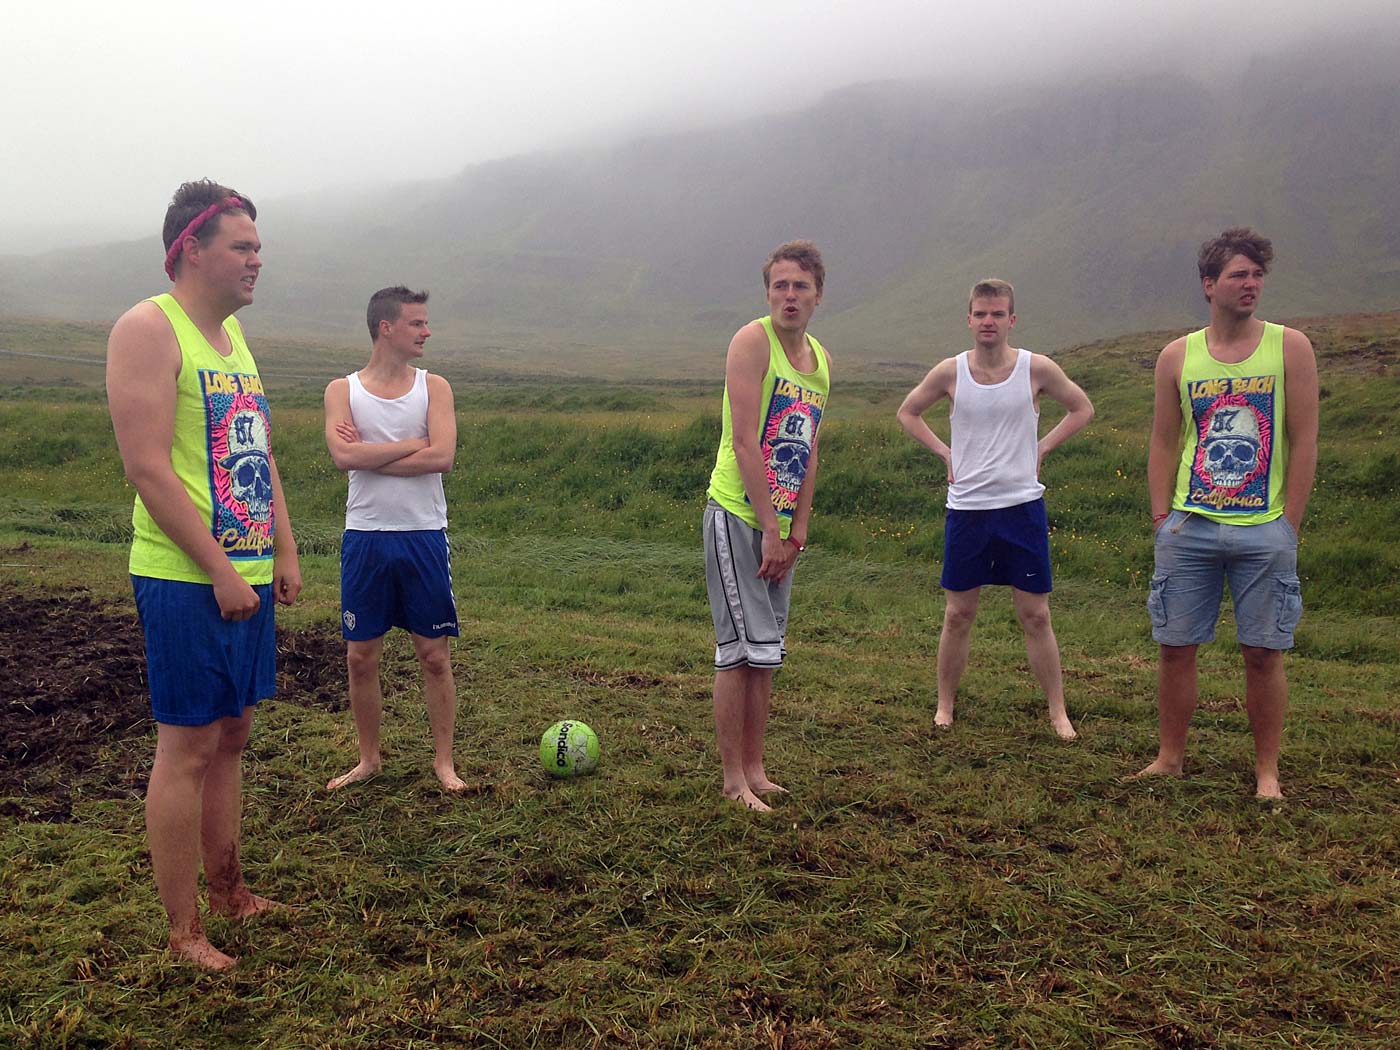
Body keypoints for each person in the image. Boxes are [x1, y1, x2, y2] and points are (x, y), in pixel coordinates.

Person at [106, 179, 301, 971]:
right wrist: (221, 570)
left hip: (246, 576)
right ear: (191, 248)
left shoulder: (233, 342)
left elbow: (257, 453)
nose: (259, 260)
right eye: (243, 247)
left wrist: (283, 549)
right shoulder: (149, 328)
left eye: (258, 247)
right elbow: (147, 467)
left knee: (233, 737)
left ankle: (231, 891)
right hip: (188, 579)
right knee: (186, 748)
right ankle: (185, 932)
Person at [1136, 228, 1318, 799]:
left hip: (1264, 529)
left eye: (1258, 274)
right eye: (1239, 274)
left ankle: (1267, 772)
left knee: (1263, 652)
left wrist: (1288, 523)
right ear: (1209, 285)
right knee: (1175, 646)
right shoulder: (1178, 356)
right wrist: (1162, 518)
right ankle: (1170, 758)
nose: (1252, 284)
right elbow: (1164, 441)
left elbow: (1304, 439)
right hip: (1190, 526)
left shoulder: (1290, 347)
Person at [896, 279, 1093, 739]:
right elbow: (908, 412)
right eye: (981, 314)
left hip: (1022, 507)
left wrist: (1041, 446)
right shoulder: (950, 372)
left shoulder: (1035, 368)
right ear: (969, 319)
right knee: (958, 614)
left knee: (1036, 615)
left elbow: (1082, 408)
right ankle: (945, 705)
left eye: (997, 314)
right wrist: (945, 453)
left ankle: (1058, 712)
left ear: (1011, 319)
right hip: (967, 509)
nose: (989, 322)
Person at [704, 240, 831, 812]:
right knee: (738, 650)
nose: (789, 295)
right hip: (737, 514)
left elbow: (808, 446)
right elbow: (746, 441)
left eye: (799, 286)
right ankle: (733, 781)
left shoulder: (821, 361)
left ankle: (756, 768)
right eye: (779, 285)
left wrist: (797, 529)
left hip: (783, 526)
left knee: (768, 650)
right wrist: (770, 530)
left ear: (817, 295)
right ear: (768, 293)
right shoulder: (751, 342)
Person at [323, 287, 467, 794]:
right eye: (417, 324)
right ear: (386, 327)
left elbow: (442, 457)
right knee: (361, 656)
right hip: (365, 537)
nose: (427, 332)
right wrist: (412, 443)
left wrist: (370, 449)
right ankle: (369, 759)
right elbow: (343, 459)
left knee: (434, 655)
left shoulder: (436, 387)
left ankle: (444, 763)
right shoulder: (341, 390)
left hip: (423, 536)